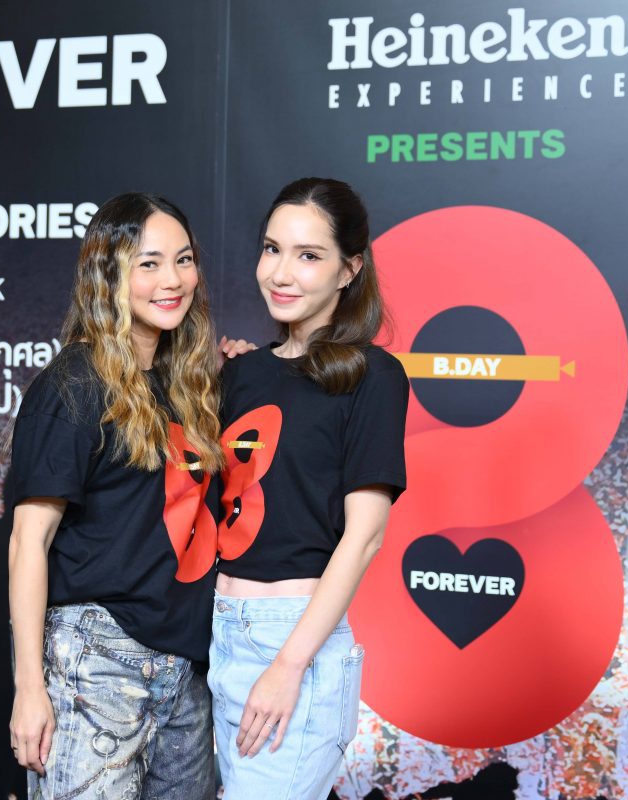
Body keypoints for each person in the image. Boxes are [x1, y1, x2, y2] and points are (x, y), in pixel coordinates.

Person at [7, 193, 223, 799]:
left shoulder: (187, 385)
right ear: (109, 275)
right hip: (96, 664)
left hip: (185, 674)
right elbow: (28, 542)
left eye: (183, 260)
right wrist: (29, 687)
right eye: (148, 263)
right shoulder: (73, 385)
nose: (172, 280)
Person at [210, 178, 409, 798]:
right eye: (272, 249)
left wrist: (289, 664)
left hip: (293, 636)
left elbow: (365, 537)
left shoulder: (372, 376)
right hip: (214, 631)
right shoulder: (239, 372)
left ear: (350, 269)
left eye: (309, 255)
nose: (281, 273)